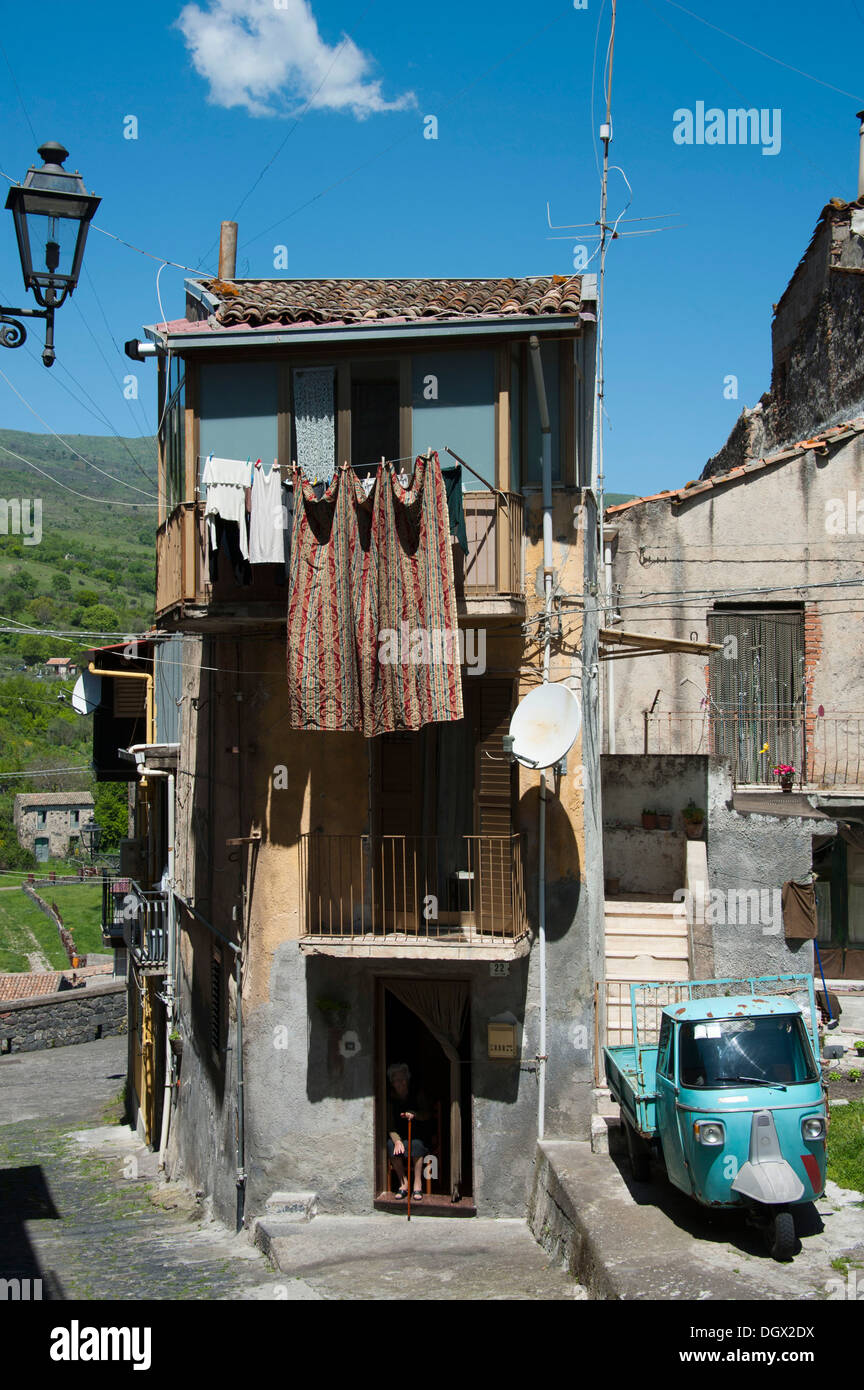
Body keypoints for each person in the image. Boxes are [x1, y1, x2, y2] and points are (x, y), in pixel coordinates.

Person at [387, 1062, 430, 1200]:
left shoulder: (417, 1093)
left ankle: (417, 1184)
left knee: (416, 1145)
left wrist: (415, 1114)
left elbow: (427, 1114)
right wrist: (397, 1140)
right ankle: (403, 1183)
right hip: (400, 1134)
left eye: (404, 1079)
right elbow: (390, 1125)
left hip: (417, 1132)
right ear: (392, 1083)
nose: (402, 1083)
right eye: (398, 1080)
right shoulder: (390, 1099)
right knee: (390, 1146)